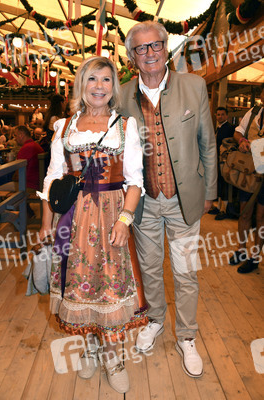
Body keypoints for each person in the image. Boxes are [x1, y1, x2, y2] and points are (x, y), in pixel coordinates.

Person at [38, 56, 147, 394]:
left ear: (113, 86)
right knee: (81, 283)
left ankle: (114, 357)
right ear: (81, 86)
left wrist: (125, 221)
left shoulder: (125, 126)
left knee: (110, 283)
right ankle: (90, 347)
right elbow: (53, 178)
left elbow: (135, 180)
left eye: (105, 80)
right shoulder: (64, 127)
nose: (99, 86)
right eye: (92, 79)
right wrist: (46, 222)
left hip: (112, 214)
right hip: (73, 218)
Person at [120, 21, 217, 378]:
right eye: (141, 49)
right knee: (149, 269)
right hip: (144, 202)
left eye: (156, 46)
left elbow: (207, 143)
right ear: (132, 57)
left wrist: (210, 193)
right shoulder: (122, 94)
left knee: (186, 271)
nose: (149, 53)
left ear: (167, 48)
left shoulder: (194, 86)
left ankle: (187, 336)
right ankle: (157, 320)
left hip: (184, 200)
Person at [229, 84, 264, 274]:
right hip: (250, 171)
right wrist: (241, 141)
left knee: (261, 217)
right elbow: (238, 132)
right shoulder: (254, 112)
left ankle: (255, 257)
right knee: (244, 212)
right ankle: (241, 251)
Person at [208, 107, 235, 220]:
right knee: (219, 182)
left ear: (227, 116)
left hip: (225, 160)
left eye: (222, 114)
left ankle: (224, 210)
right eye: (218, 114)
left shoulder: (229, 128)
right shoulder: (219, 128)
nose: (220, 116)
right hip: (218, 159)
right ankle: (219, 207)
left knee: (224, 184)